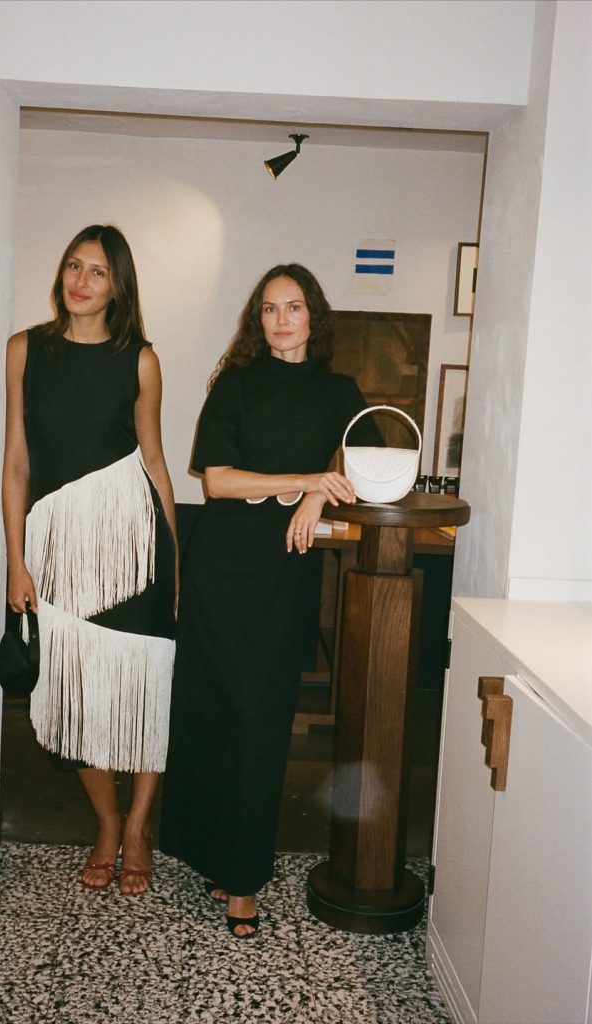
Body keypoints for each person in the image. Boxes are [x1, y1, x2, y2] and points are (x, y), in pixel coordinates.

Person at [160, 263, 382, 937]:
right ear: (257, 320)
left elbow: (371, 472)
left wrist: (319, 494)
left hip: (284, 573)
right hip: (221, 566)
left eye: (293, 307)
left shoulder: (340, 392)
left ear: (314, 316)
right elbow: (218, 481)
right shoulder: (235, 382)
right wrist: (308, 478)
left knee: (261, 718)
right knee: (212, 711)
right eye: (268, 309)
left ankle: (243, 879)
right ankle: (211, 853)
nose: (281, 319)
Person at [2, 224, 177, 896]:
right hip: (58, 552)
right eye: (74, 266)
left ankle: (137, 828)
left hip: (134, 550)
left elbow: (154, 461)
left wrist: (174, 566)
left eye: (97, 271)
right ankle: (105, 822)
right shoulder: (26, 350)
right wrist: (16, 562)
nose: (80, 281)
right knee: (75, 695)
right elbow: (16, 463)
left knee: (144, 691)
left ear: (117, 286)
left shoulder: (140, 361)